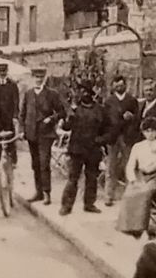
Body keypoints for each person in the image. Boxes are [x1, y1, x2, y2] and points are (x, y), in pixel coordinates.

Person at [60, 81, 111, 215]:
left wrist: (101, 140)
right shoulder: (75, 110)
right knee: (73, 178)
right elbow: (66, 127)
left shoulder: (100, 110)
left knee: (92, 177)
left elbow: (108, 130)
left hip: (93, 149)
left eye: (85, 91)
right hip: (77, 149)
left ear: (91, 94)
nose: (83, 94)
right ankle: (66, 206)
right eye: (81, 91)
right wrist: (68, 117)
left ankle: (89, 204)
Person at [19, 67, 65, 204]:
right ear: (33, 78)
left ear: (44, 78)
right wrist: (22, 130)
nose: (38, 80)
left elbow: (62, 112)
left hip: (46, 134)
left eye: (41, 77)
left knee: (44, 163)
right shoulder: (28, 94)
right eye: (36, 77)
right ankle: (38, 192)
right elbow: (22, 114)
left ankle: (47, 193)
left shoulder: (52, 94)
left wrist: (51, 119)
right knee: (35, 164)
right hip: (31, 133)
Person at [103, 74, 141, 205]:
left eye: (121, 84)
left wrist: (132, 117)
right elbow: (105, 120)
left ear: (125, 85)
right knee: (110, 167)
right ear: (113, 86)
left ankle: (128, 195)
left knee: (128, 166)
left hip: (127, 137)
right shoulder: (108, 101)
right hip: (113, 138)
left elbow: (138, 119)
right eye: (116, 84)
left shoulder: (132, 100)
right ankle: (109, 195)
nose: (119, 86)